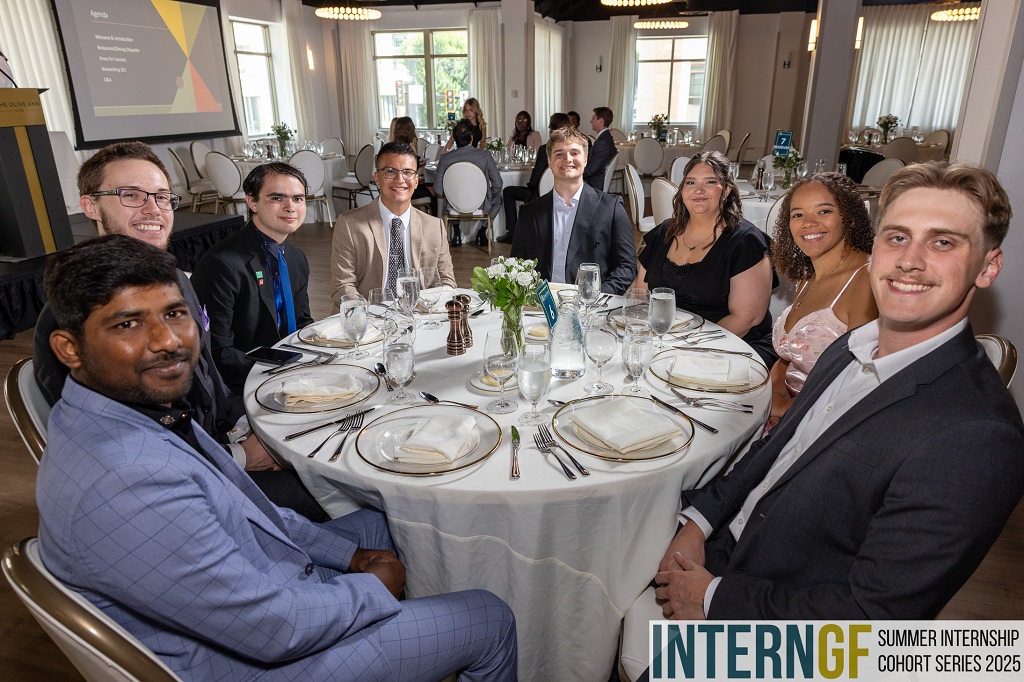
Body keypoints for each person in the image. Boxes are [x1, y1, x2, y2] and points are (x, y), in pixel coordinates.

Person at [36, 235, 518, 681]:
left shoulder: (134, 413)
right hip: (251, 663)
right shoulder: (128, 480)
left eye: (175, 314)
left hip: (258, 584)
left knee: (385, 521)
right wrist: (373, 588)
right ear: (69, 349)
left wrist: (349, 556)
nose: (168, 341)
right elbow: (273, 629)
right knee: (490, 616)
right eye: (127, 323)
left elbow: (256, 515)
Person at [651, 162, 1024, 624]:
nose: (910, 259)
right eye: (897, 236)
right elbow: (774, 451)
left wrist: (711, 599)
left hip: (772, 620)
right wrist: (699, 523)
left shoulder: (977, 435)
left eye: (943, 241)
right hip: (727, 543)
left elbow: (876, 618)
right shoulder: (849, 346)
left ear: (988, 267)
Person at [32, 141, 326, 521]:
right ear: (90, 206)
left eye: (162, 196)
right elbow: (126, 445)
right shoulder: (79, 314)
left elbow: (209, 382)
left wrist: (251, 427)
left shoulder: (175, 282)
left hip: (214, 440)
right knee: (333, 489)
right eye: (131, 195)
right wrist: (240, 455)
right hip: (177, 486)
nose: (153, 209)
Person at [636, 151, 777, 367]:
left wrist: (688, 349)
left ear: (727, 190)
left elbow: (746, 319)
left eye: (710, 182)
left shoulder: (745, 242)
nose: (698, 190)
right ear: (682, 190)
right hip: (667, 343)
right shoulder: (664, 232)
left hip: (732, 345)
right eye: (691, 182)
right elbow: (641, 295)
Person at [190, 163, 314, 395]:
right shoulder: (222, 264)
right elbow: (217, 351)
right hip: (241, 386)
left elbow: (301, 322)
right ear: (252, 202)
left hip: (291, 374)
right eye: (277, 198)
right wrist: (280, 376)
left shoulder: (296, 258)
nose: (291, 207)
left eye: (298, 199)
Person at [768, 172, 878, 428]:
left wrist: (784, 409)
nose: (808, 223)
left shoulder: (866, 282)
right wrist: (767, 397)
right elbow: (789, 358)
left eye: (824, 211)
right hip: (787, 412)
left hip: (824, 423)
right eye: (798, 215)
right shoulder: (809, 275)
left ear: (848, 219)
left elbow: (859, 384)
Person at [511, 126, 636, 294]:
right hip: (541, 305)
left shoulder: (610, 207)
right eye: (559, 154)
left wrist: (596, 296)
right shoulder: (529, 212)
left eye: (574, 153)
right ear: (549, 161)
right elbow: (517, 264)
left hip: (592, 306)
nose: (567, 159)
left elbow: (626, 267)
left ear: (585, 159)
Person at [332, 141, 456, 301]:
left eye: (407, 172)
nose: (400, 179)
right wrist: (372, 316)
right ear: (377, 178)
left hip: (420, 314)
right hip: (370, 317)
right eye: (390, 172)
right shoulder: (349, 225)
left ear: (416, 180)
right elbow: (342, 286)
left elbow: (447, 282)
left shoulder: (434, 226)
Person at [498, 112, 571, 245]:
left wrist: (531, 185)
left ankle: (513, 233)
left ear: (552, 128)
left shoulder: (546, 149)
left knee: (508, 191)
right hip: (567, 193)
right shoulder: (573, 150)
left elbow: (535, 180)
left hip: (542, 194)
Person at [434, 119, 503, 246]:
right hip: (481, 205)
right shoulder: (485, 156)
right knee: (498, 199)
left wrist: (453, 195)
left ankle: (456, 232)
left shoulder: (445, 159)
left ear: (454, 138)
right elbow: (498, 184)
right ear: (472, 137)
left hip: (454, 207)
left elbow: (438, 190)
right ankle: (482, 231)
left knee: (449, 199)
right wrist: (487, 196)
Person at [583, 106, 616, 191]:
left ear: (601, 121)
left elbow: (591, 170)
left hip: (593, 183)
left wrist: (575, 173)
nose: (591, 121)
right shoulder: (606, 137)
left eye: (593, 118)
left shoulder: (602, 142)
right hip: (595, 179)